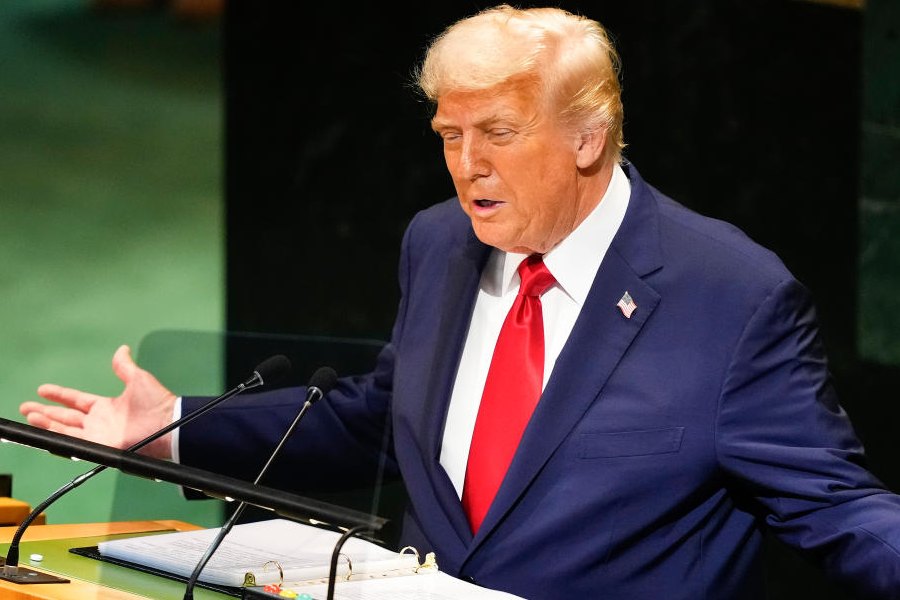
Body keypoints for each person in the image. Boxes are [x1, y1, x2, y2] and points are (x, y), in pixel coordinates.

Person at [18, 5, 900, 599]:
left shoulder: (731, 295)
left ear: (589, 137)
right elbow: (381, 420)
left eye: (499, 135)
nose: (468, 165)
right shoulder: (440, 241)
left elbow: (833, 505)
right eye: (450, 134)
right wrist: (177, 424)